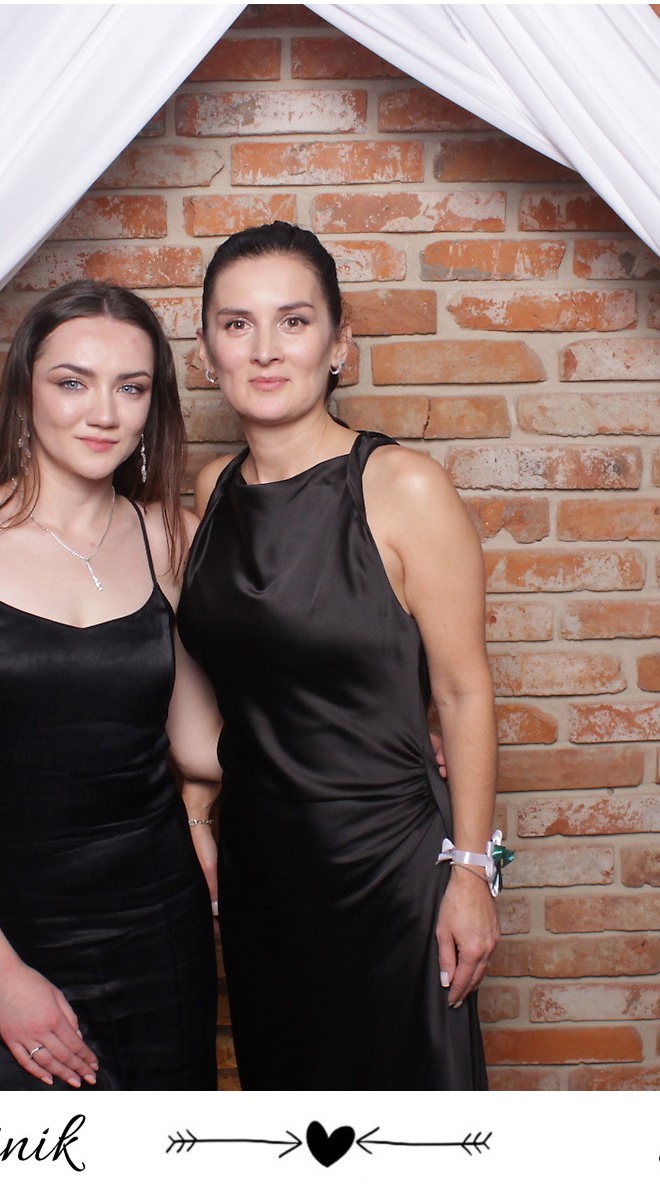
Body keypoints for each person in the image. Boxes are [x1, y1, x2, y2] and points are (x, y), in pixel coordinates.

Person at [0, 280, 220, 1090]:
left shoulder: (169, 535)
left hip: (159, 919)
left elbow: (202, 741)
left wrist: (385, 726)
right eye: (72, 382)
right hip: (11, 930)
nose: (104, 412)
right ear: (25, 392)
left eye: (131, 388)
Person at [178, 222, 500, 1090]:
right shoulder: (210, 494)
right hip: (261, 871)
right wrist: (198, 811)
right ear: (206, 352)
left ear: (338, 344)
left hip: (390, 868)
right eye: (237, 324)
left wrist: (473, 874)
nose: (265, 348)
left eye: (294, 321)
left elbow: (463, 693)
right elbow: (225, 691)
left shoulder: (403, 487)